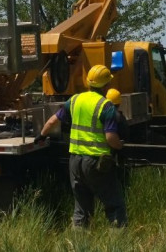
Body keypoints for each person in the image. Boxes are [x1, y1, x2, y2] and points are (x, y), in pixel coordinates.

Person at [35, 64, 127, 228]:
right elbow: (111, 137)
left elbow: (52, 121)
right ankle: (117, 243)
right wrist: (120, 146)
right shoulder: (106, 106)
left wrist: (42, 135)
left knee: (81, 210)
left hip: (75, 162)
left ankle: (78, 245)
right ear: (106, 86)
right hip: (96, 162)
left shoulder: (75, 99)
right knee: (114, 206)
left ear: (88, 83)